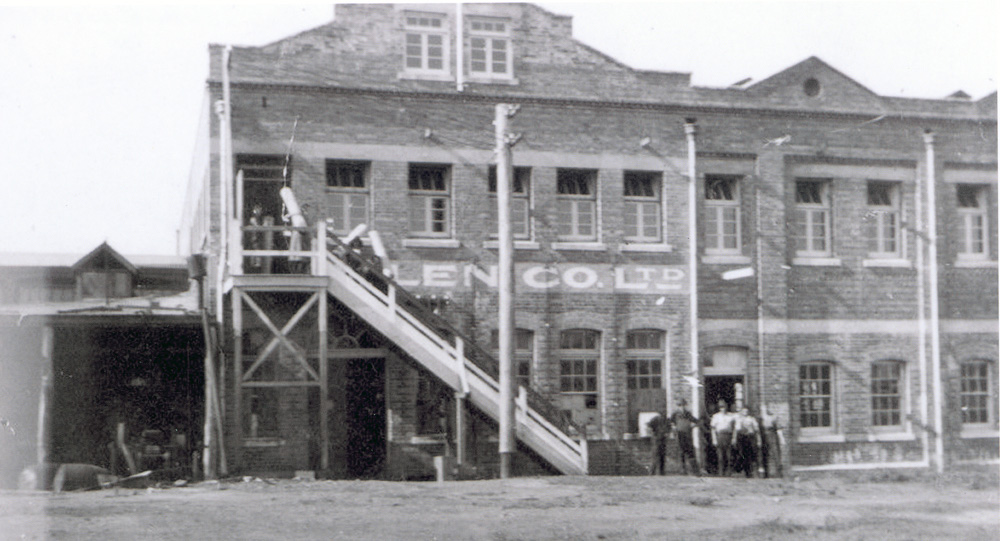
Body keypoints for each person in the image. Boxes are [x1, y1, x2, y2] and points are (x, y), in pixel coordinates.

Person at [669, 398, 699, 475]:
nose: (681, 407)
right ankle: (683, 470)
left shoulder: (688, 414)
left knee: (690, 452)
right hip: (680, 435)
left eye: (683, 405)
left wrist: (693, 426)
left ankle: (695, 471)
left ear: (685, 405)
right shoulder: (675, 414)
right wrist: (673, 427)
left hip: (688, 435)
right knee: (681, 452)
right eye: (679, 405)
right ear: (677, 406)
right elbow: (670, 422)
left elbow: (696, 421)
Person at [732, 406, 762, 478]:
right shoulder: (739, 419)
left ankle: (749, 472)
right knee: (741, 453)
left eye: (746, 411)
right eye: (744, 411)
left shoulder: (751, 419)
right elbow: (736, 430)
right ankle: (739, 469)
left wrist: (758, 440)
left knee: (749, 454)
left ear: (748, 412)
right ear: (742, 412)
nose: (745, 413)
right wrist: (734, 438)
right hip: (741, 437)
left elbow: (756, 430)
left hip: (749, 437)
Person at [710, 400, 735, 476]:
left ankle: (729, 472)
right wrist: (714, 439)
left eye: (724, 407)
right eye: (721, 407)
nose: (722, 409)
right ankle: (721, 472)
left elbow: (734, 428)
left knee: (729, 455)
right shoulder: (716, 416)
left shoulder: (731, 416)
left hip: (728, 435)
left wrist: (734, 438)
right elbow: (713, 429)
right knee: (720, 456)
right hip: (720, 436)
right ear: (719, 408)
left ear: (727, 407)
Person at [760, 404, 785, 478]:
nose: (768, 410)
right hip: (764, 436)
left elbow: (778, 429)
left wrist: (781, 439)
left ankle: (779, 473)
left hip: (772, 436)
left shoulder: (774, 418)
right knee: (765, 454)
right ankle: (766, 473)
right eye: (767, 408)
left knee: (775, 454)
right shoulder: (762, 418)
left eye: (770, 408)